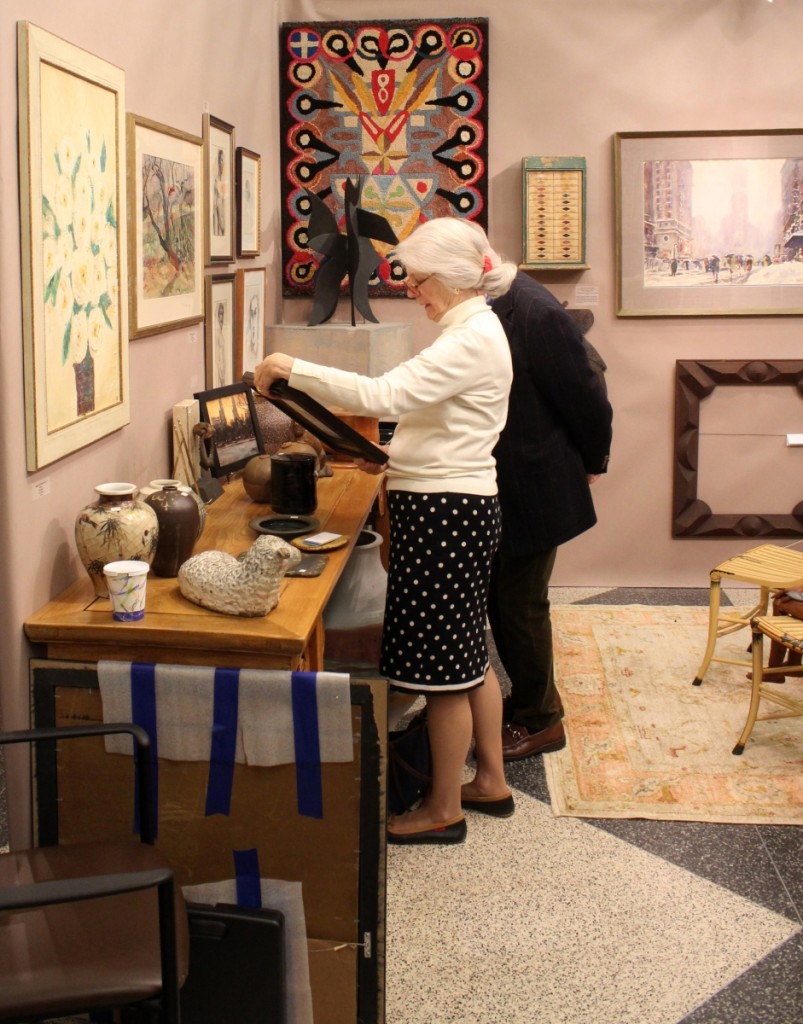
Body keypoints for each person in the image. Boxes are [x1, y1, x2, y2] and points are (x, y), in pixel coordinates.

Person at [255, 217, 517, 845]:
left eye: (421, 282)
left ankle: (442, 808)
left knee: (442, 672)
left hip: (445, 510)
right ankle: (491, 781)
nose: (415, 293)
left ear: (454, 279)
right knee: (468, 652)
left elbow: (385, 394)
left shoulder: (469, 338)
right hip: (464, 504)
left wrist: (292, 365)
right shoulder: (474, 328)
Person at [488, 272, 613, 760]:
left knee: (520, 606)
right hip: (516, 480)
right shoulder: (507, 303)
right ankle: (531, 696)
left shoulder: (536, 312)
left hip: (537, 483)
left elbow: (588, 399)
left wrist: (594, 460)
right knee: (507, 600)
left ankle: (541, 722)